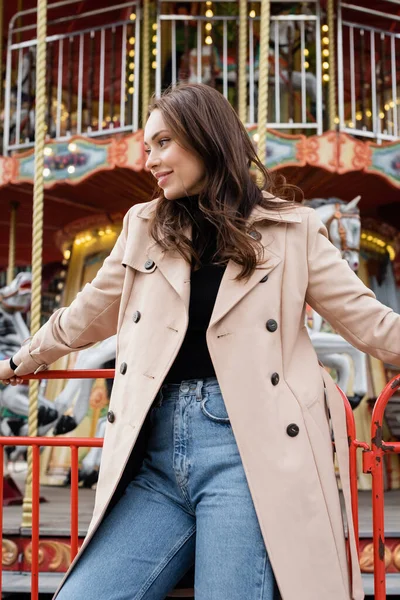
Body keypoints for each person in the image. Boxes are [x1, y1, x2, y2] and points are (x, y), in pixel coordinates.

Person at [1, 83, 399, 600]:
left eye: (163, 143)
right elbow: (86, 314)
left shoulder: (291, 230)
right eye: (147, 147)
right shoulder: (143, 226)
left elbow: (367, 321)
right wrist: (17, 361)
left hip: (247, 453)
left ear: (206, 139)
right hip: (156, 456)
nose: (151, 160)